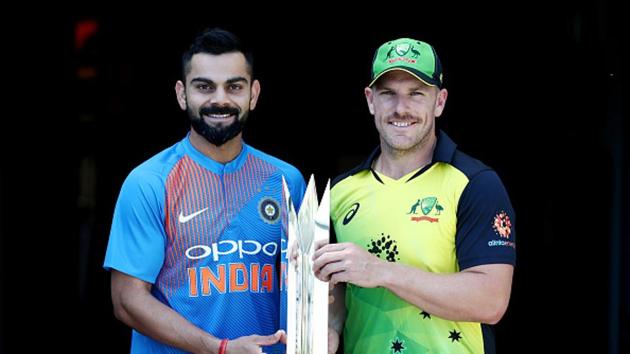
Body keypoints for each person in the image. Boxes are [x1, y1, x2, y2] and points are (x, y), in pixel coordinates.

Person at [103, 27, 306, 354]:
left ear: (253, 94)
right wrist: (220, 348)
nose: (220, 100)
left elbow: (306, 287)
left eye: (234, 87)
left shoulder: (287, 181)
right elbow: (127, 301)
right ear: (182, 94)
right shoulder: (149, 182)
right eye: (204, 87)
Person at [313, 37, 516, 353]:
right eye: (388, 94)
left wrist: (381, 271)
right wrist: (330, 327)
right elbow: (338, 286)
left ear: (440, 102)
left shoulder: (475, 183)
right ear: (370, 100)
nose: (401, 109)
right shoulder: (341, 191)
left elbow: (491, 300)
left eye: (416, 94)